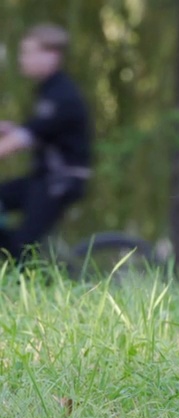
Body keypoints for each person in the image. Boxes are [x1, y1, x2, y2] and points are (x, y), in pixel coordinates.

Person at [0, 23, 92, 265]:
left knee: (23, 247)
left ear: (51, 56)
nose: (23, 59)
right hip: (42, 178)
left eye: (29, 52)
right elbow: (39, 131)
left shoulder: (62, 95)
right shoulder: (47, 91)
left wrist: (14, 136)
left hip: (60, 181)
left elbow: (20, 141)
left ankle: (32, 281)